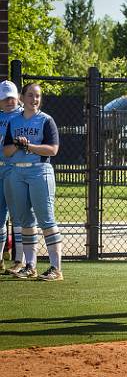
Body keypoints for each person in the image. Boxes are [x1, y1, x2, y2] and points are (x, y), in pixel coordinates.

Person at [5, 83, 62, 280]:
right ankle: (30, 266)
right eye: (30, 95)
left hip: (39, 172)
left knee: (46, 219)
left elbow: (52, 150)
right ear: (22, 97)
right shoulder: (14, 122)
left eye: (37, 96)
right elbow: (6, 151)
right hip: (17, 173)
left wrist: (30, 146)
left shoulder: (46, 120)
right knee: (25, 221)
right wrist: (16, 143)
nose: (34, 99)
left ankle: (56, 268)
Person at [0, 81, 29, 275]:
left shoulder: (24, 116)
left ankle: (20, 261)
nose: (9, 101)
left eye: (12, 97)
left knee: (19, 217)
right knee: (0, 217)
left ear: (18, 97)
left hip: (16, 170)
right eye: (4, 98)